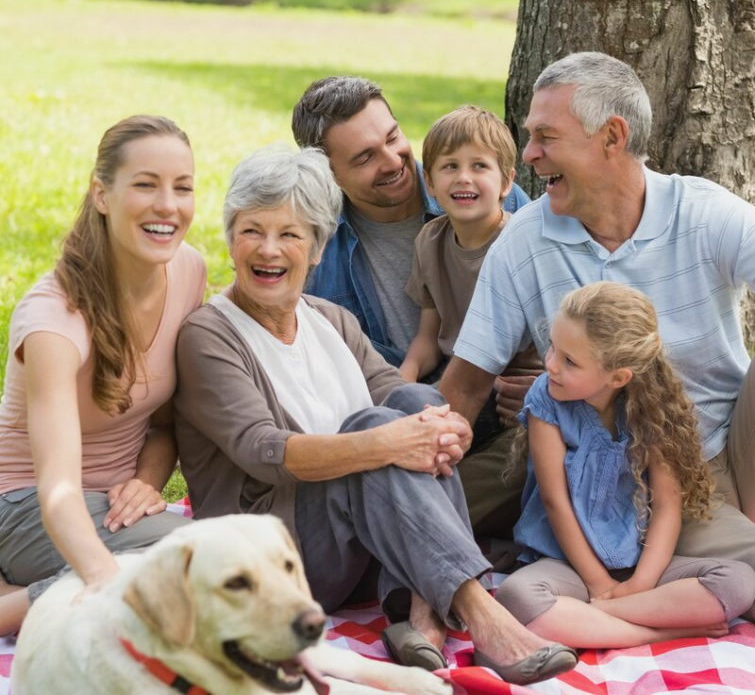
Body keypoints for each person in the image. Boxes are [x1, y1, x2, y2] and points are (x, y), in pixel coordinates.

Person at [173, 145, 578, 686]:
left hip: (361, 555)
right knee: (376, 429)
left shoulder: (331, 320)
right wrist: (392, 443)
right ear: (229, 238)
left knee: (414, 404)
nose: (269, 250)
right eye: (252, 230)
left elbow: (400, 394)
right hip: (272, 564)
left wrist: (446, 427)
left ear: (316, 249)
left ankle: (421, 614)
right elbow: (264, 451)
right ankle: (481, 614)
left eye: (290, 234)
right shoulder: (208, 335)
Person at [439, 51, 755, 613]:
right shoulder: (526, 240)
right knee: (409, 513)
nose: (529, 154)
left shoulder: (707, 216)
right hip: (579, 464)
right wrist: (420, 473)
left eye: (545, 137)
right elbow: (463, 387)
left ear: (612, 137)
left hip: (708, 459)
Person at [0, 115, 207, 635]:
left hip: (112, 511)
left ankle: (21, 593)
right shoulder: (53, 320)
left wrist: (144, 481)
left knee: (214, 567)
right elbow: (58, 492)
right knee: (199, 567)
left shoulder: (187, 271)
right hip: (23, 504)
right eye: (145, 184)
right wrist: (100, 576)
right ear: (101, 194)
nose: (168, 205)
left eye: (182, 188)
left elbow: (163, 426)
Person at [494, 282, 755, 650]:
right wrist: (599, 584)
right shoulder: (546, 398)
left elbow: (666, 505)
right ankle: (659, 631)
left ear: (618, 377)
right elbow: (555, 502)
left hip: (639, 563)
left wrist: (639, 585)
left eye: (570, 360)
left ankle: (593, 619)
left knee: (739, 581)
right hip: (568, 563)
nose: (550, 364)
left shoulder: (653, 405)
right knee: (517, 597)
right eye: (553, 345)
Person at [291, 76, 531, 368]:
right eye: (365, 157)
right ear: (329, 174)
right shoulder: (315, 245)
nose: (392, 161)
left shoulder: (493, 197)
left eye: (392, 137)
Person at [401, 105, 541, 537]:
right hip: (454, 387)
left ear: (507, 181)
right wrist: (398, 388)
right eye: (449, 166)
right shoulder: (430, 240)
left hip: (512, 401)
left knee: (497, 475)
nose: (463, 178)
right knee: (404, 437)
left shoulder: (524, 243)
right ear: (430, 181)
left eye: (479, 166)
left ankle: (437, 525)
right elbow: (428, 337)